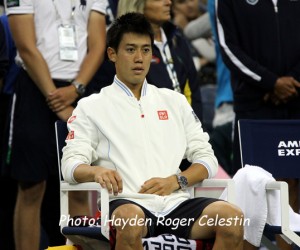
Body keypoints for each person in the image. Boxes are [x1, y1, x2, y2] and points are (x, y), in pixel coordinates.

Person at [61, 12, 244, 250]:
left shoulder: (175, 101)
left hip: (176, 204)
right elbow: (70, 165)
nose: (139, 58)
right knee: (130, 220)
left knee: (232, 219)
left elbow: (207, 159)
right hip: (127, 204)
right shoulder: (91, 106)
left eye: (146, 50)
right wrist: (95, 171)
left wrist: (177, 181)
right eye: (130, 49)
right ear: (112, 54)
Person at [4, 0, 107, 249]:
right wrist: (57, 100)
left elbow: (98, 45)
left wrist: (76, 88)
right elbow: (26, 46)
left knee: (80, 185)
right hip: (34, 88)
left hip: (79, 90)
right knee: (31, 186)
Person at [216, 1, 300, 249]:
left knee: (293, 183)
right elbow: (228, 48)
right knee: (249, 185)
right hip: (254, 105)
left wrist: (291, 82)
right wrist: (270, 83)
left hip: (296, 101)